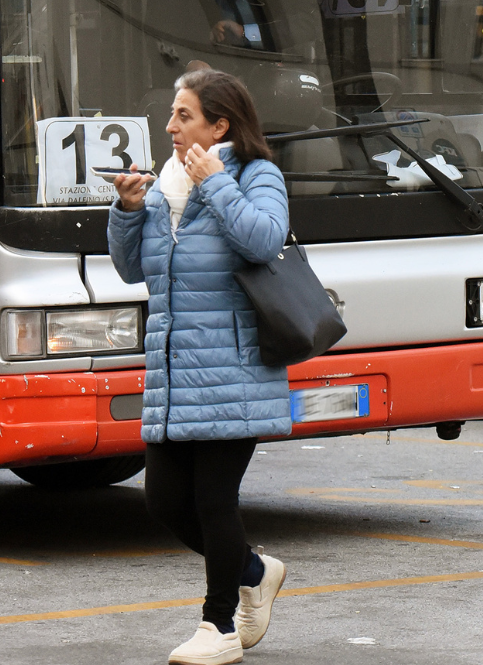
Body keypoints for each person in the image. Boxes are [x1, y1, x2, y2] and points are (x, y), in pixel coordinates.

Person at [109, 69, 291, 665]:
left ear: (221, 125)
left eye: (184, 116)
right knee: (163, 502)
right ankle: (255, 571)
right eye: (172, 113)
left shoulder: (255, 173)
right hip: (172, 371)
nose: (169, 126)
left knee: (215, 500)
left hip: (234, 370)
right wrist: (129, 210)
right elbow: (134, 271)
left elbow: (265, 241)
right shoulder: (164, 183)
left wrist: (215, 183)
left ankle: (219, 629)